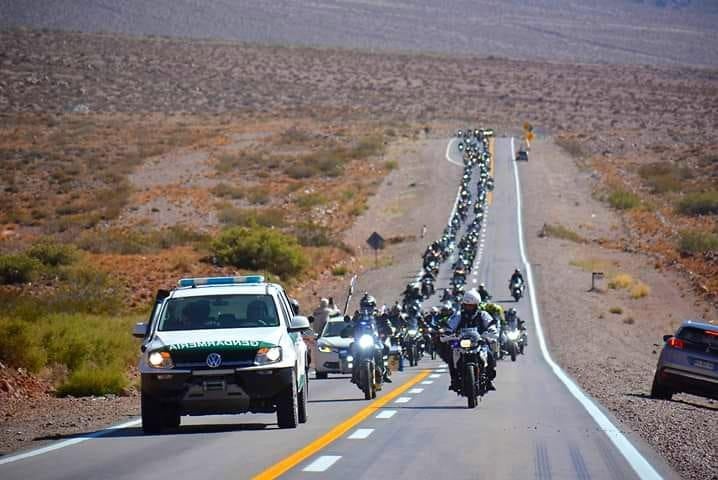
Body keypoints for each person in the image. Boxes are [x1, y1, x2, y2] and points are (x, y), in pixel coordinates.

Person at [448, 289, 497, 392]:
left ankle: (489, 381)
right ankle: (454, 380)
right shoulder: (458, 315)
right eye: (467, 305)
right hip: (462, 343)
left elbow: (491, 324)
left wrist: (490, 331)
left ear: (476, 305)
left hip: (479, 342)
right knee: (451, 357)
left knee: (490, 355)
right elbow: (450, 325)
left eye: (471, 306)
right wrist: (446, 332)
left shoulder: (483, 314)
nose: (469, 308)